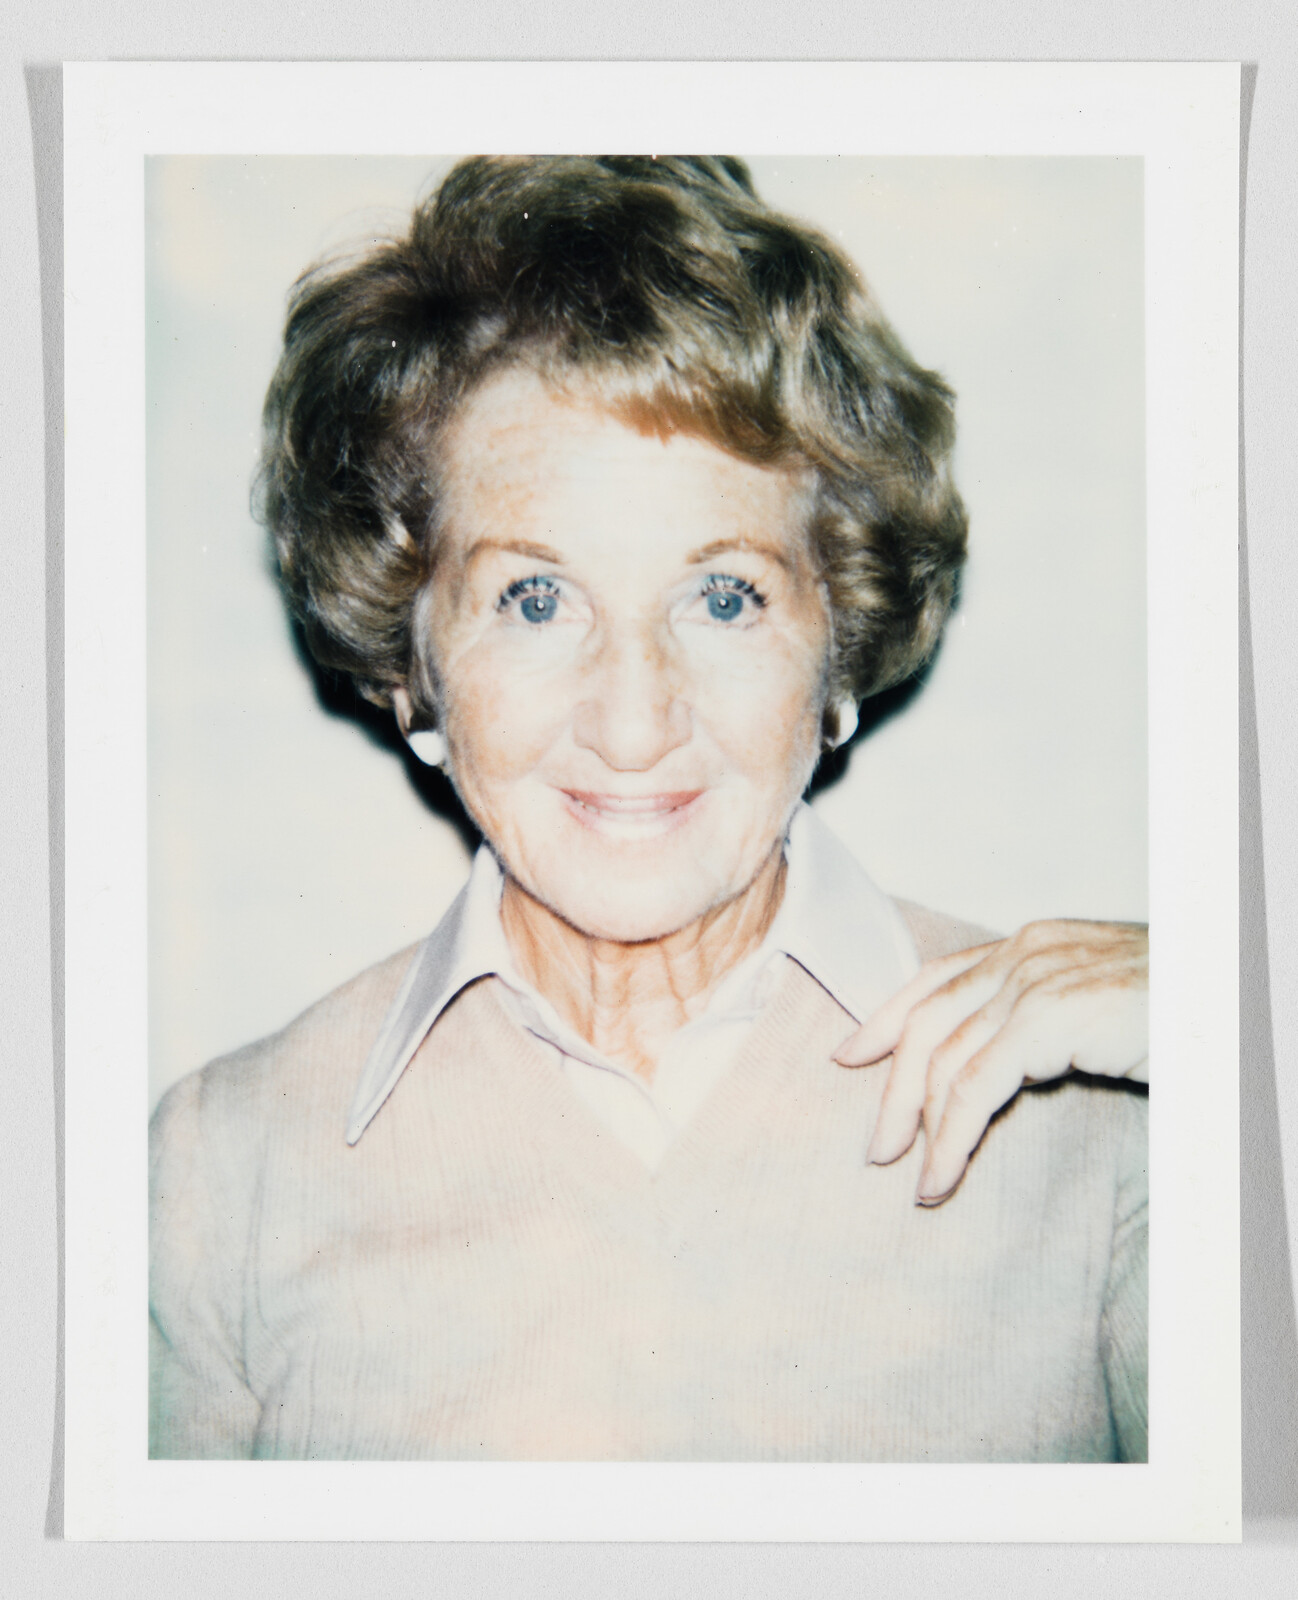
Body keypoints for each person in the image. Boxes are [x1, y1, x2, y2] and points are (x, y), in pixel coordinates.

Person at [149, 156, 1149, 1463]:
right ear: (412, 664)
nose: (632, 721)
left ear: (835, 641)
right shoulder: (220, 1176)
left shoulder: (1112, 1113)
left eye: (722, 597)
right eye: (534, 598)